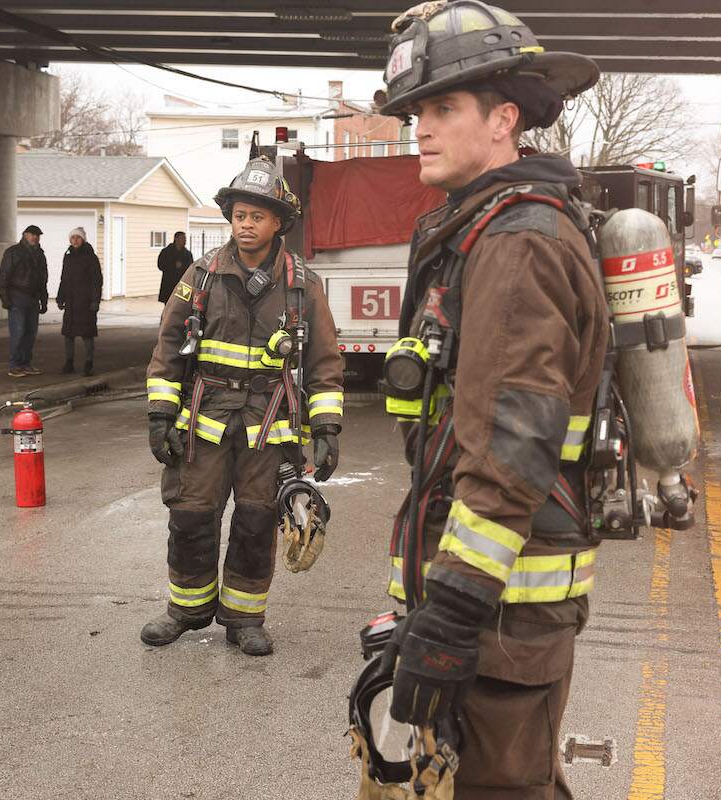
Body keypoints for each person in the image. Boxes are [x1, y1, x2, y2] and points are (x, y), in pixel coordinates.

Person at [370, 3, 608, 797]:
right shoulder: (482, 227)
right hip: (494, 603)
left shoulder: (516, 241)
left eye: (442, 108)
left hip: (503, 613)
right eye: (416, 111)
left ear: (504, 119)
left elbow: (511, 446)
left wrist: (453, 611)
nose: (421, 128)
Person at [141, 157, 344, 657]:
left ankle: (244, 618)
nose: (246, 225)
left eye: (257, 216)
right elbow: (168, 347)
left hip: (269, 425)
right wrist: (160, 415)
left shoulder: (303, 286)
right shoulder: (202, 275)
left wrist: (327, 427)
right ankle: (186, 610)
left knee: (255, 522)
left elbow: (323, 362)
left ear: (278, 222)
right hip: (204, 421)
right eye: (239, 216)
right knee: (190, 515)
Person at [0, 224, 47, 377]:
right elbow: (3, 276)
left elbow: (43, 279)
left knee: (30, 333)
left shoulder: (40, 254)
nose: (35, 237)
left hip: (33, 298)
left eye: (37, 235)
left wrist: (43, 300)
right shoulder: (13, 252)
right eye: (32, 234)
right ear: (25, 235)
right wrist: (5, 298)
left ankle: (26, 364)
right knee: (18, 332)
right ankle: (14, 365)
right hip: (17, 297)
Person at [56, 227, 103, 376]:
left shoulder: (90, 257)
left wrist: (95, 300)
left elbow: (97, 281)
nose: (75, 240)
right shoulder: (68, 256)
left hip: (85, 302)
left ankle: (89, 363)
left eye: (78, 238)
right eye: (73, 238)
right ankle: (69, 362)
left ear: (83, 239)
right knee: (68, 335)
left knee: (87, 334)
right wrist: (60, 296)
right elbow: (64, 278)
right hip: (70, 301)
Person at [157, 231, 193, 303]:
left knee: (182, 304)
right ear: (176, 239)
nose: (185, 241)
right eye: (183, 238)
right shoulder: (166, 252)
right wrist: (173, 265)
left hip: (183, 283)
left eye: (185, 239)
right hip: (169, 283)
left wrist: (182, 266)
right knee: (168, 304)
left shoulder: (187, 254)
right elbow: (160, 265)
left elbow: (191, 267)